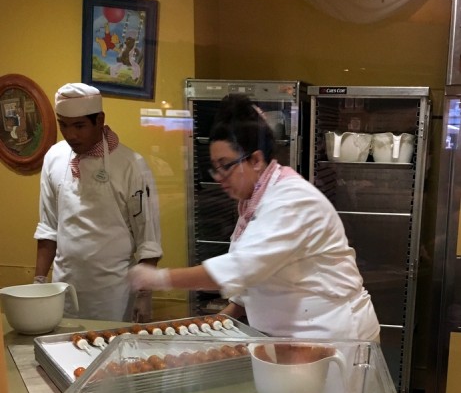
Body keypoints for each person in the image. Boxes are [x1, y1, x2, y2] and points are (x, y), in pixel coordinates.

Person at [129, 94, 379, 341]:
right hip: (292, 335)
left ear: (256, 160)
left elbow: (242, 267)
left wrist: (159, 278)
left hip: (334, 335)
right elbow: (257, 274)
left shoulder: (291, 200)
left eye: (225, 165)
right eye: (214, 167)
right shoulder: (254, 201)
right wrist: (219, 322)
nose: (219, 177)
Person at [34, 82, 162, 322]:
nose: (71, 135)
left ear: (100, 119)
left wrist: (144, 296)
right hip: (63, 290)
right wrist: (39, 283)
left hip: (113, 295)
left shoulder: (131, 165)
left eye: (80, 126)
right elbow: (48, 228)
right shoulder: (54, 158)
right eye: (64, 125)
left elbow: (149, 240)